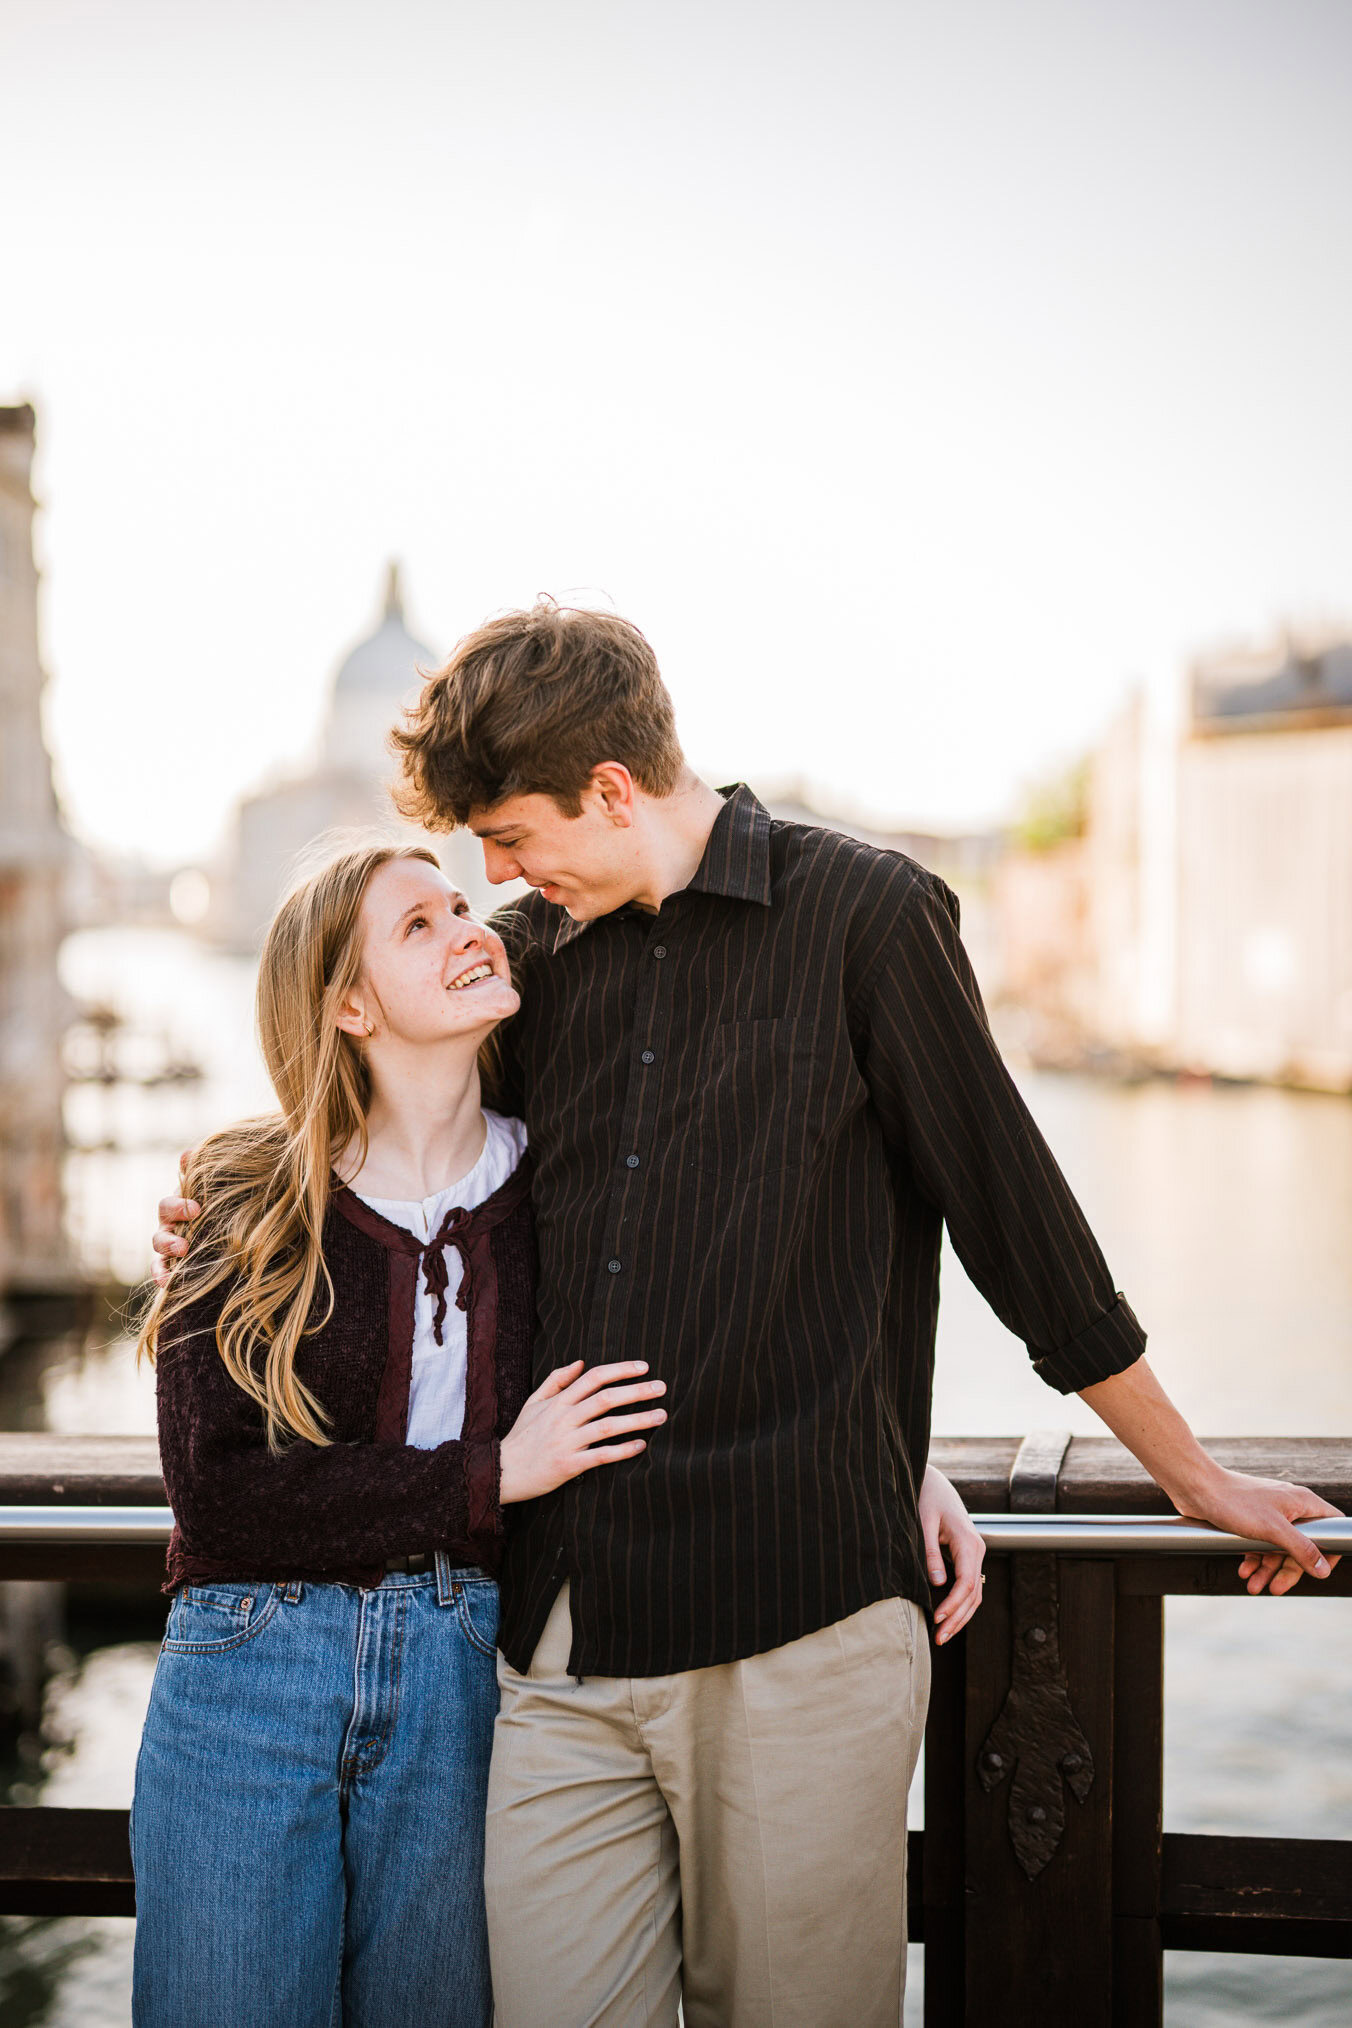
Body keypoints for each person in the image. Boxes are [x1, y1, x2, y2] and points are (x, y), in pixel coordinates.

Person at [159, 600, 1339, 2028]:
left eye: (514, 839)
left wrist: (1183, 1474)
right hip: (562, 1649)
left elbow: (1023, 1233)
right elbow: (399, 1127)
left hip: (799, 1626)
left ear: (609, 792)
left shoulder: (872, 921)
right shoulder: (538, 958)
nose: (496, 880)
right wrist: (229, 1199)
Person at [132, 839, 671, 2028]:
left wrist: (907, 1470)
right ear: (349, 1004)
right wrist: (493, 1475)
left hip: (464, 1674)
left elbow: (723, 1338)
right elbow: (219, 1500)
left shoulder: (563, 1190)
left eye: (463, 907)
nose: (471, 929)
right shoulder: (241, 1199)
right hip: (247, 1675)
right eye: (418, 926)